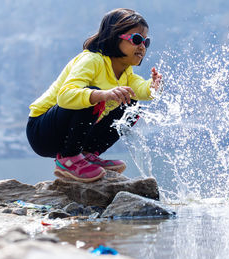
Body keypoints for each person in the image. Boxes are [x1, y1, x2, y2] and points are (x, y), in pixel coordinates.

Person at [26, 8, 162, 183]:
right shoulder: (91, 60)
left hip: (69, 133)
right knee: (92, 94)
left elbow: (142, 91)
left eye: (146, 41)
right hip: (41, 132)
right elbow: (65, 96)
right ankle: (69, 158)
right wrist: (102, 94)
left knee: (132, 105)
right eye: (136, 39)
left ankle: (87, 154)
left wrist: (154, 86)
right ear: (114, 37)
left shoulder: (126, 73)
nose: (142, 46)